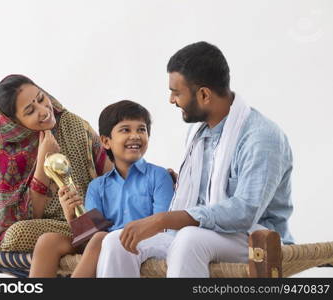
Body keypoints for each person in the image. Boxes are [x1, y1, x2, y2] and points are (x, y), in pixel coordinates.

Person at [96, 41, 294, 277]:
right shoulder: (198, 133)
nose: (171, 99)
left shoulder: (261, 137)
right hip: (199, 234)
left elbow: (244, 212)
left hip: (253, 236)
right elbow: (203, 195)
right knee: (117, 241)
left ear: (204, 94)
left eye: (176, 92)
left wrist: (163, 220)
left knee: (190, 239)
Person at [0, 74, 113, 277]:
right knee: (16, 235)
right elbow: (26, 218)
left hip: (92, 218)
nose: (44, 111)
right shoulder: (6, 154)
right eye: (30, 110)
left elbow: (112, 174)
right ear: (14, 123)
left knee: (43, 238)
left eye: (41, 99)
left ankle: (87, 237)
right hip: (51, 226)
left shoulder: (73, 125)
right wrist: (43, 160)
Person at [57, 100, 174, 277]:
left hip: (154, 242)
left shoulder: (159, 176)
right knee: (101, 238)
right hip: (110, 245)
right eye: (126, 129)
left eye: (141, 129)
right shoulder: (97, 186)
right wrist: (71, 215)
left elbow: (163, 226)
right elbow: (91, 234)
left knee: (105, 239)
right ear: (106, 141)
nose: (135, 135)